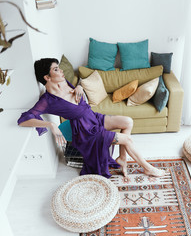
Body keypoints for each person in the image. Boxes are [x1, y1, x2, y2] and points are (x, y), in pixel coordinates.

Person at [17, 58, 166, 178]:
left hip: (94, 118)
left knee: (128, 121)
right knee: (127, 139)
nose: (61, 71)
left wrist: (79, 87)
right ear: (47, 77)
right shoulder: (47, 100)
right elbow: (24, 119)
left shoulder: (64, 83)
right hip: (86, 131)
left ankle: (122, 158)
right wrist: (51, 125)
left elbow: (75, 93)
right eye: (56, 69)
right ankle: (148, 168)